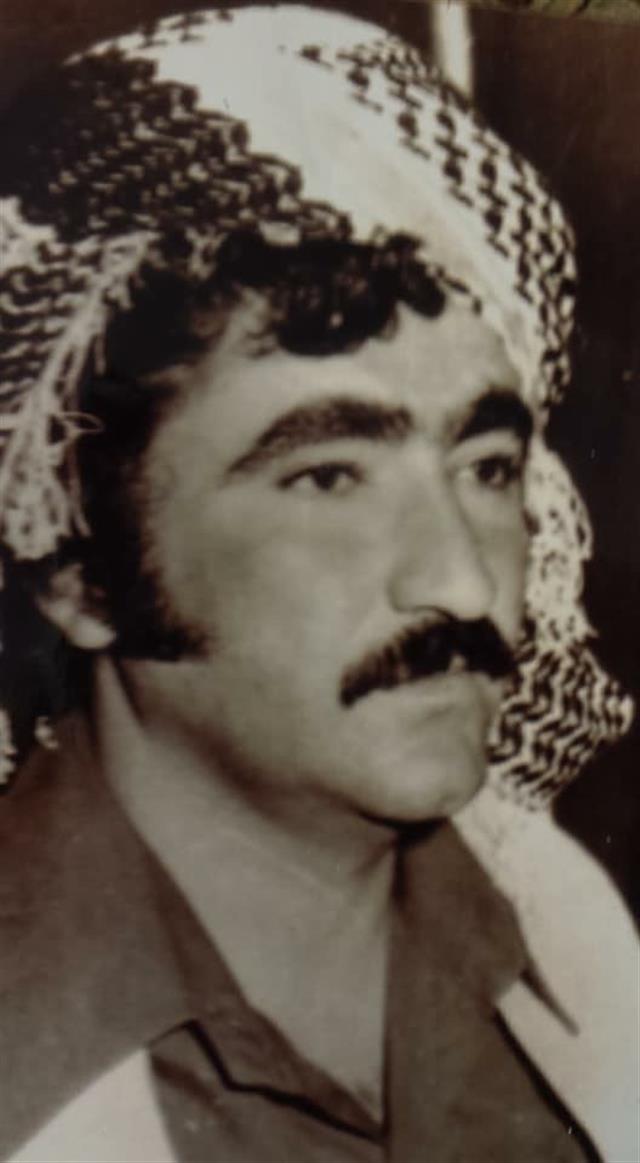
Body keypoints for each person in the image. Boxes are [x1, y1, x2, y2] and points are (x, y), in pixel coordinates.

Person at [0, 5, 637, 1161]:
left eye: (488, 466)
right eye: (328, 476)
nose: (463, 583)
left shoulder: (574, 937)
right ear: (78, 569)